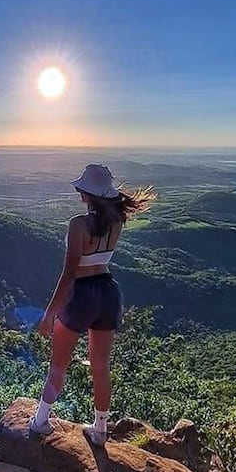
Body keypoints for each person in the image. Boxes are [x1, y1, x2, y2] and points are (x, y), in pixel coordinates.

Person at [29, 164, 155, 446]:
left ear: (86, 193)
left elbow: (70, 272)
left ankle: (40, 421)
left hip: (82, 295)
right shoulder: (117, 220)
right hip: (109, 293)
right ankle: (100, 429)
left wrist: (49, 314)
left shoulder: (78, 225)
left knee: (58, 364)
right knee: (100, 366)